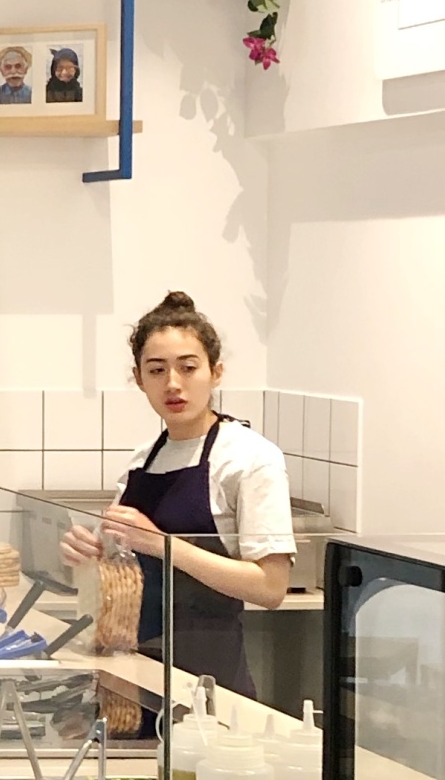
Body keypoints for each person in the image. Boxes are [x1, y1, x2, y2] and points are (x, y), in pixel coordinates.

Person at [62, 288, 294, 705]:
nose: (172, 384)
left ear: (216, 372)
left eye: (188, 368)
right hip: (133, 675)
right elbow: (123, 566)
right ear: (139, 379)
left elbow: (270, 587)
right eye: (156, 370)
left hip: (209, 683)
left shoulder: (249, 458)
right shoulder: (143, 459)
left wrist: (162, 545)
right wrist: (89, 553)